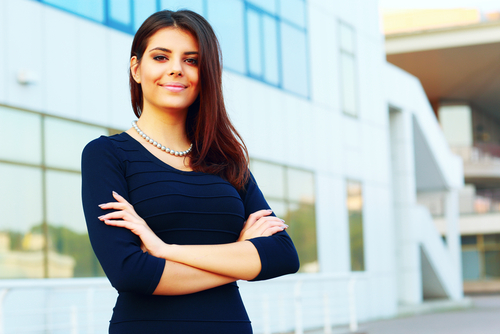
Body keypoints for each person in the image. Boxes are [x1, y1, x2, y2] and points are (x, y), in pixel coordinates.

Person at [81, 9, 299, 334]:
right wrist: (241, 257)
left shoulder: (227, 160)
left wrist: (166, 251)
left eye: (192, 60)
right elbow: (131, 272)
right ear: (137, 68)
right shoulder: (106, 155)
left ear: (205, 73)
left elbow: (282, 255)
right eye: (161, 57)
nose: (176, 70)